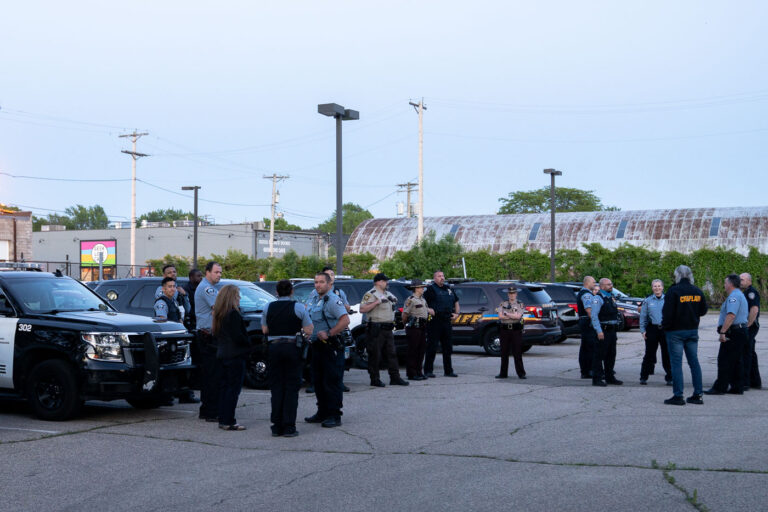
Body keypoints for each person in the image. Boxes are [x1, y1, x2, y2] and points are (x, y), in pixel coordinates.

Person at [262, 280, 313, 437]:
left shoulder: (268, 307)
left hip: (274, 347)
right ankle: (289, 426)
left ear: (276, 292)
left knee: (277, 387)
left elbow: (265, 329)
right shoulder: (298, 307)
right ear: (291, 291)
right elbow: (309, 329)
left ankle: (276, 426)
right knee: (291, 387)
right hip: (292, 347)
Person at [304, 272, 350, 428]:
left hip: (330, 345)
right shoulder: (316, 299)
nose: (318, 285)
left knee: (331, 381)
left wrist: (330, 333)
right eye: (316, 282)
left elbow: (345, 320)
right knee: (318, 381)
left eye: (321, 282)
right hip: (317, 345)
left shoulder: (332, 300)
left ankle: (334, 414)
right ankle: (322, 412)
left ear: (329, 284)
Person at [661, 265, 708, 405]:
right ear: (690, 275)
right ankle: (698, 394)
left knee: (676, 364)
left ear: (677, 275)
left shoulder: (673, 291)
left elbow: (667, 313)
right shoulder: (697, 291)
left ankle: (678, 395)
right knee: (694, 363)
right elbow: (704, 310)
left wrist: (665, 327)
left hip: (675, 332)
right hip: (692, 331)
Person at [359, 273, 409, 387]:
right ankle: (375, 379)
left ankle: (395, 377)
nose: (387, 283)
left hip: (388, 328)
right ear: (378, 282)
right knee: (375, 355)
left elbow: (394, 302)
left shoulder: (387, 293)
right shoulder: (370, 294)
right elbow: (362, 309)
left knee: (392, 354)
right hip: (376, 328)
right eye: (385, 281)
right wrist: (376, 302)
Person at [212, 285, 251, 431]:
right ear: (232, 297)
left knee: (224, 388)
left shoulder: (219, 314)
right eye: (237, 295)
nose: (239, 298)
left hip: (223, 354)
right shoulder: (233, 314)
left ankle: (223, 418)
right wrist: (249, 345)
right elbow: (238, 337)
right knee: (233, 389)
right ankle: (229, 420)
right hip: (235, 355)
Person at [705, 274, 749, 396]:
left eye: (725, 283)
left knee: (724, 360)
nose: (724, 285)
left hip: (734, 332)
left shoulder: (734, 297)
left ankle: (720, 387)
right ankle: (737, 386)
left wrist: (723, 332)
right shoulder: (739, 294)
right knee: (736, 360)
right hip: (740, 331)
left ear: (730, 284)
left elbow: (731, 315)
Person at [194, 261, 223, 422]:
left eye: (220, 272)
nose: (219, 275)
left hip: (208, 335)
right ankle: (211, 411)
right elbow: (220, 308)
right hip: (208, 336)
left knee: (210, 374)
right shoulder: (207, 289)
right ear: (207, 272)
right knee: (212, 375)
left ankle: (207, 409)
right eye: (216, 272)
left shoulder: (210, 288)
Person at [423, 270, 460, 378]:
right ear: (434, 278)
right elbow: (422, 302)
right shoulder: (430, 289)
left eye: (443, 275)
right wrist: (429, 309)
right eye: (439, 276)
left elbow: (456, 301)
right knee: (432, 347)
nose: (442, 277)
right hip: (435, 321)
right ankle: (428, 371)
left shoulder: (448, 289)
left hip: (447, 320)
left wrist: (457, 313)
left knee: (448, 347)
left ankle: (448, 371)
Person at [589, 278, 623, 386]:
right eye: (608, 284)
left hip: (612, 331)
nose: (611, 286)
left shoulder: (610, 298)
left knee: (611, 355)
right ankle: (597, 378)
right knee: (599, 355)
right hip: (603, 330)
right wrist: (599, 331)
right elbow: (594, 316)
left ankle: (610, 377)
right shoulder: (598, 299)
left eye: (611, 284)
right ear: (602, 286)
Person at [639, 279, 672, 386]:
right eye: (654, 286)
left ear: (662, 287)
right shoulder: (648, 301)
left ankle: (670, 377)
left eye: (659, 286)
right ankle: (643, 377)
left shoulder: (668, 299)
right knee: (649, 354)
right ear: (652, 288)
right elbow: (643, 317)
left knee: (667, 354)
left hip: (665, 330)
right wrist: (643, 330)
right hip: (652, 329)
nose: (657, 288)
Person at [401, 279, 432, 381]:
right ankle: (411, 373)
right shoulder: (411, 300)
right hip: (414, 327)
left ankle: (419, 371)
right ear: (416, 288)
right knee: (413, 351)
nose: (423, 289)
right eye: (421, 287)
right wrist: (405, 324)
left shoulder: (423, 300)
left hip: (423, 326)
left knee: (421, 350)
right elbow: (405, 314)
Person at [495, 286, 526, 379]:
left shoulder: (520, 304)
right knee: (504, 352)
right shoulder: (502, 303)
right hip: (504, 330)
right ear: (508, 294)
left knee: (517, 352)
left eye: (513, 293)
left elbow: (518, 317)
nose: (512, 295)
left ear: (516, 294)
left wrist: (507, 314)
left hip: (515, 330)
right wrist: (512, 315)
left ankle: (521, 373)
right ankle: (503, 373)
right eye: (510, 293)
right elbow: (500, 316)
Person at [740, 273, 762, 390]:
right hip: (750, 326)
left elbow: (754, 309)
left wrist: (748, 325)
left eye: (742, 280)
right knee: (751, 353)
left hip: (751, 326)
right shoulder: (746, 292)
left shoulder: (751, 292)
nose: (740, 281)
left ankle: (745, 382)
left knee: (746, 353)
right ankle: (755, 381)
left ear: (749, 281)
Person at [576, 276, 597, 379]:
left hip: (585, 322)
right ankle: (588, 371)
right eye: (593, 282)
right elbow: (589, 311)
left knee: (585, 347)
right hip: (588, 322)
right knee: (589, 347)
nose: (595, 284)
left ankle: (585, 370)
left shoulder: (585, 293)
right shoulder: (586, 295)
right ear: (587, 283)